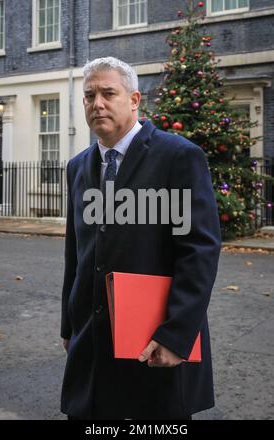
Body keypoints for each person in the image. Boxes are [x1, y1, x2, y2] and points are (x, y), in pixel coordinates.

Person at [60, 56, 221, 420]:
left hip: (154, 342)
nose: (96, 103)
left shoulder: (178, 156)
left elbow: (199, 251)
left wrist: (176, 336)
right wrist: (69, 325)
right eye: (88, 96)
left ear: (134, 100)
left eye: (107, 93)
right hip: (91, 344)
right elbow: (76, 252)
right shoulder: (77, 167)